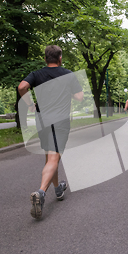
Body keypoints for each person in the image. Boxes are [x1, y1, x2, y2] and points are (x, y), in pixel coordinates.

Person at [18, 45, 84, 219]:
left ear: (45, 58)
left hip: (42, 119)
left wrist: (30, 104)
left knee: (49, 156)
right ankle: (40, 193)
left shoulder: (37, 74)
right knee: (54, 157)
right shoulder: (68, 74)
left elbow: (22, 87)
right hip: (60, 119)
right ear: (60, 58)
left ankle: (58, 189)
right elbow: (79, 97)